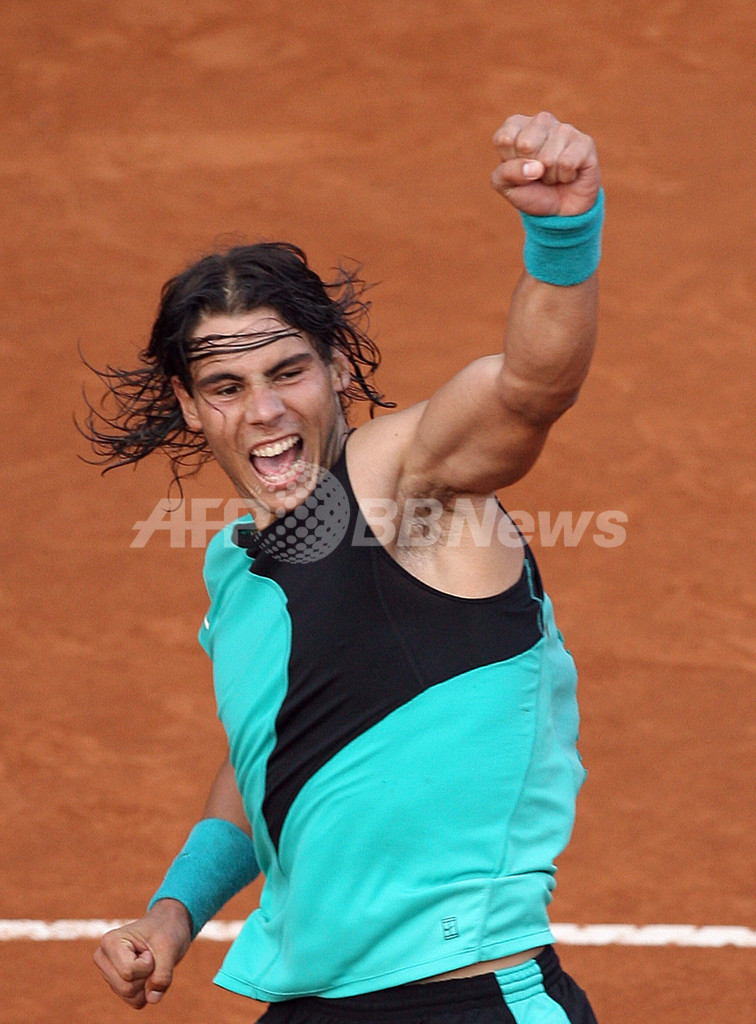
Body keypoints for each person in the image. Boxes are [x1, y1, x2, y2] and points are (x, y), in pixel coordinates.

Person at [90, 110, 604, 1023]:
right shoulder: (236, 571)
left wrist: (561, 232)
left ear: (333, 368)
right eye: (226, 387)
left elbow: (529, 389)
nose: (264, 412)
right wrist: (174, 915)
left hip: (469, 1000)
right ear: (191, 406)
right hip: (314, 1005)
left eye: (288, 372)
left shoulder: (399, 483)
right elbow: (272, 757)